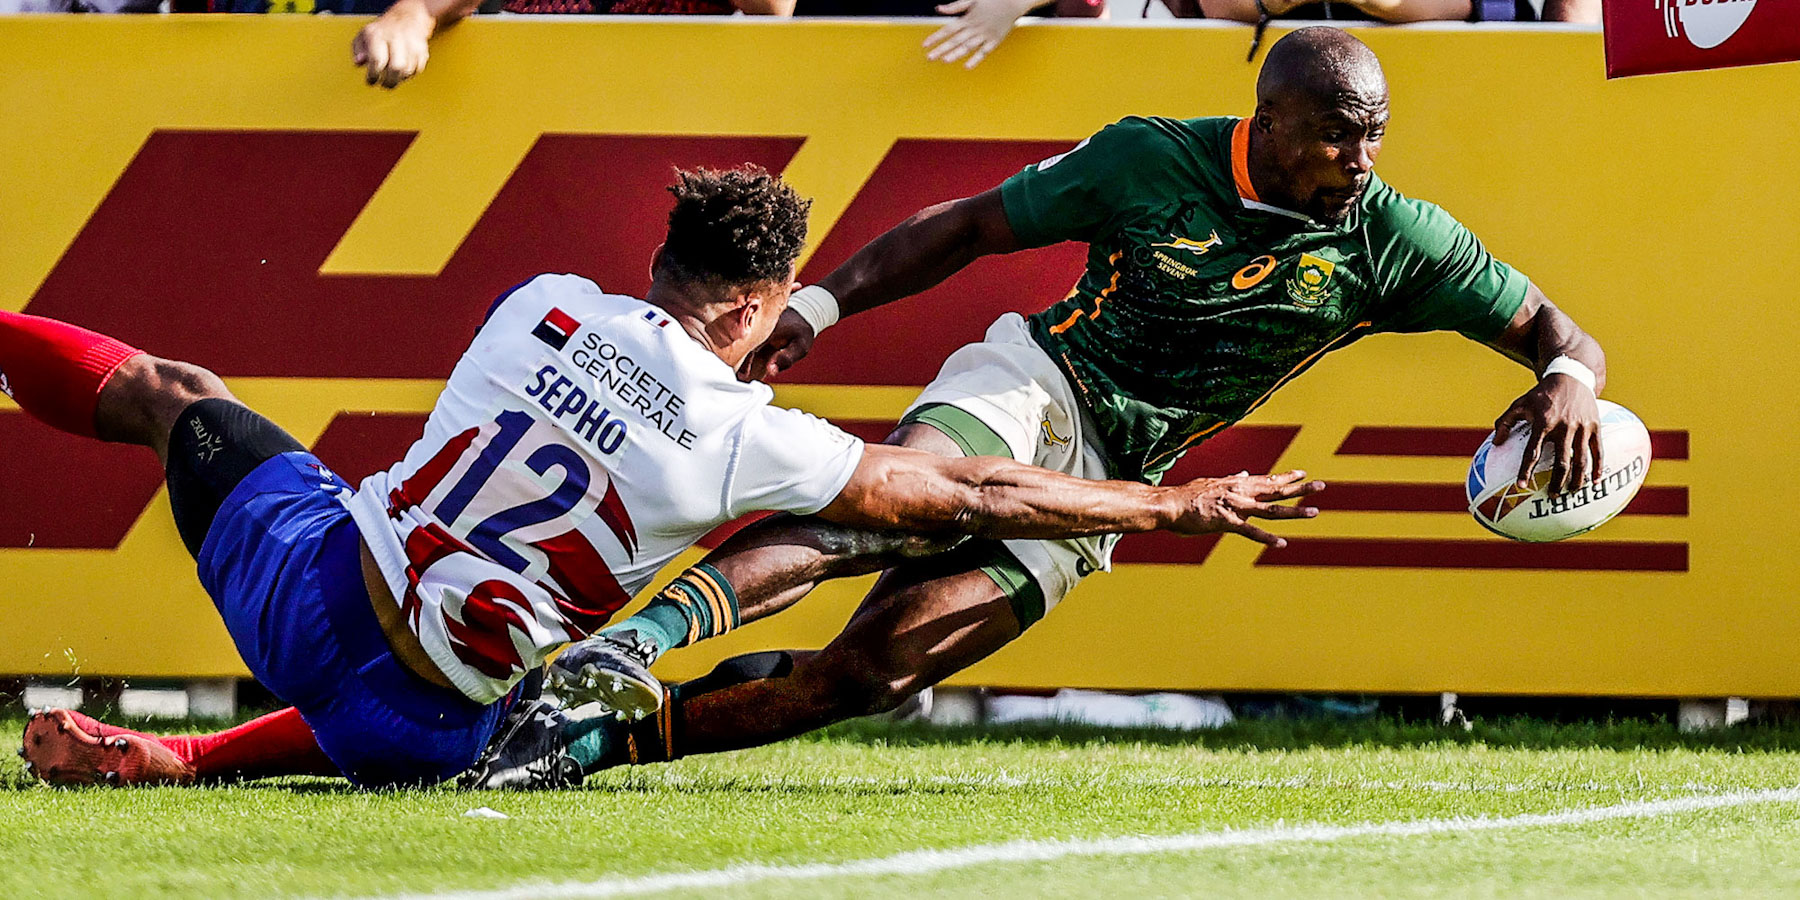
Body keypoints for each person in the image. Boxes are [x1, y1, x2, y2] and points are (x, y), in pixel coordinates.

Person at [463, 25, 1607, 787]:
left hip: (1126, 469)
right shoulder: (1150, 160)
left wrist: (1568, 383)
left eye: (1375, 135)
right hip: (1035, 381)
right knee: (879, 512)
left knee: (875, 671)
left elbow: (1565, 333)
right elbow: (963, 226)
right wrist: (818, 306)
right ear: (1267, 120)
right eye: (1336, 132)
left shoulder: (1395, 239)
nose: (1359, 158)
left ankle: (590, 744)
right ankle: (620, 652)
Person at [13, 165, 1323, 788]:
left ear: (660, 267)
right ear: (756, 308)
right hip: (423, 733)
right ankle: (186, 759)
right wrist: (1166, 500)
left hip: (306, 597)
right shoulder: (753, 433)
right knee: (651, 664)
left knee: (171, 397)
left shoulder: (541, 306)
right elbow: (978, 497)